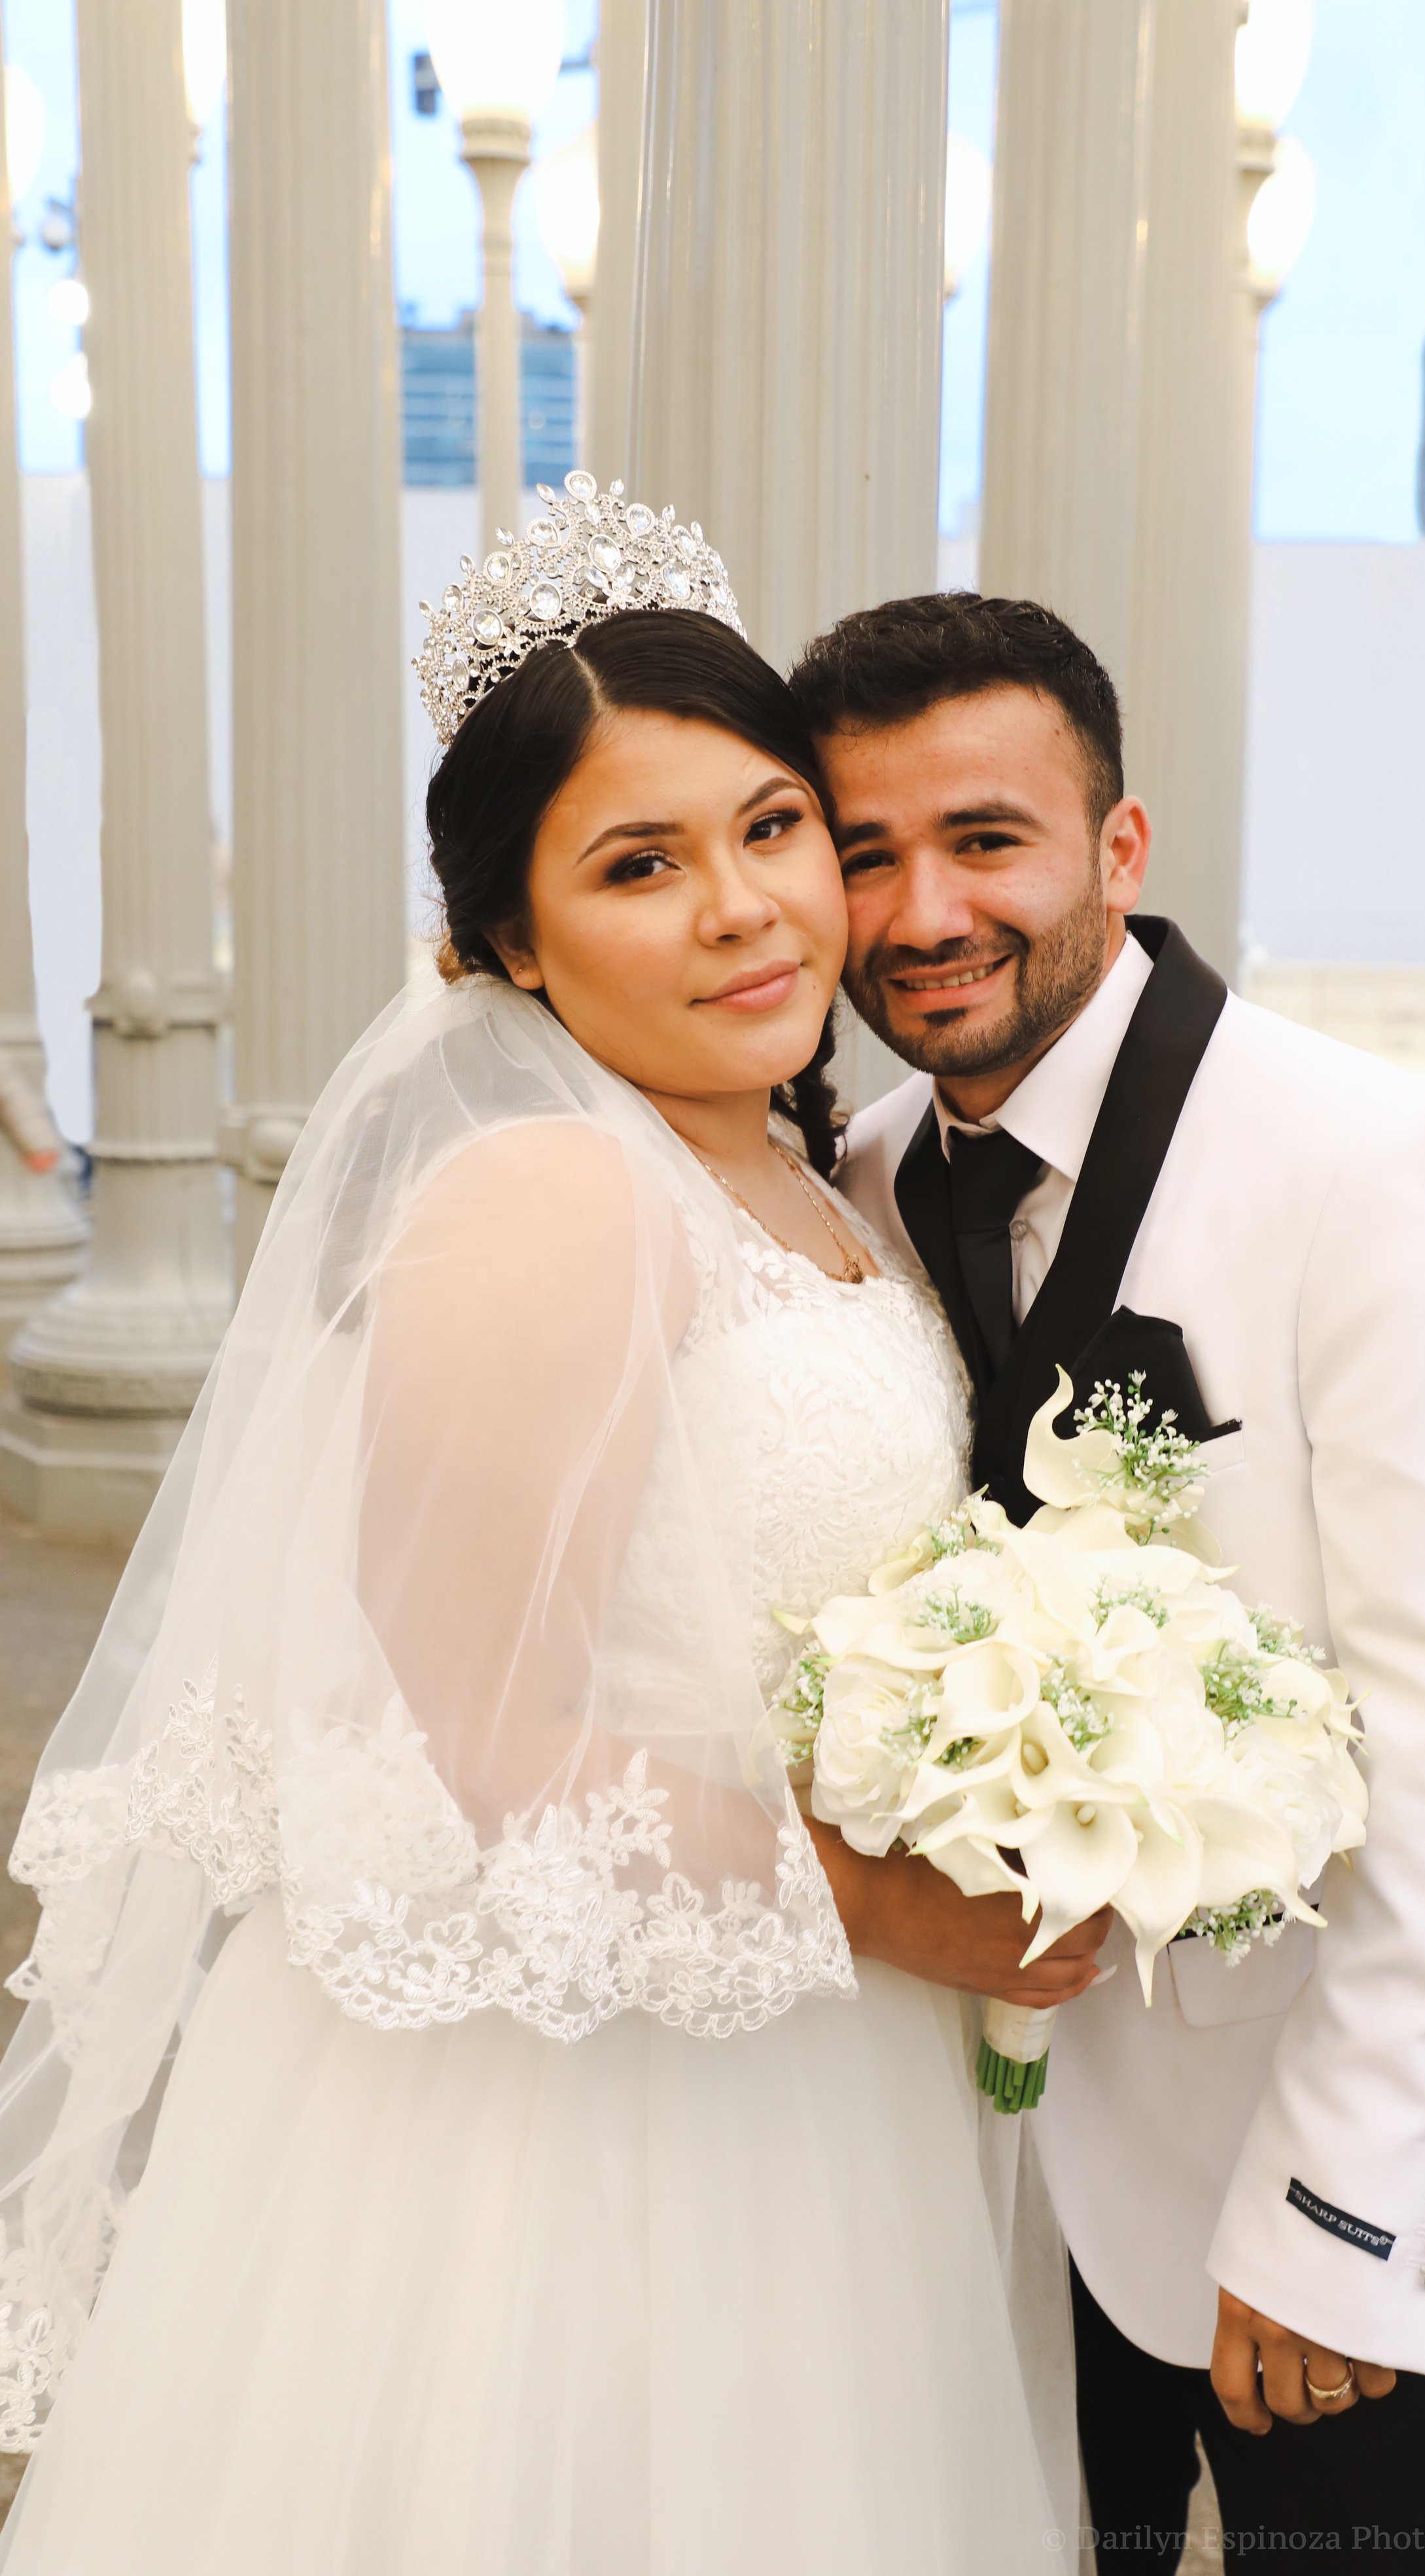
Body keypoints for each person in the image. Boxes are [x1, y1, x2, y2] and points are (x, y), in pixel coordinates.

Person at [0, 492, 1099, 2575]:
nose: (746, 914)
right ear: (502, 945)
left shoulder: (822, 1178)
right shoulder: (550, 1201)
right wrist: (894, 1904)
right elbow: (471, 1745)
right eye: (636, 867)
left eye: (772, 829)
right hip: (573, 2106)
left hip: (817, 2055)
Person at [790, 592, 1425, 2575]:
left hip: (1305, 2160)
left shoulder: (1380, 1162)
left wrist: (1339, 2213)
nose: (916, 915)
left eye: (983, 840)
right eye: (865, 853)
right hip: (972, 2167)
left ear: (1116, 849)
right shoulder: (863, 1177)